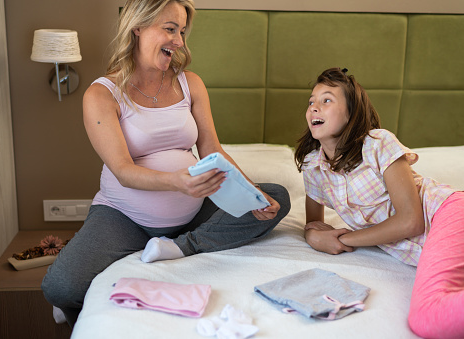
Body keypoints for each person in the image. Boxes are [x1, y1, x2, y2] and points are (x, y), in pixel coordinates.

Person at [41, 0, 290, 328]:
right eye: (170, 29)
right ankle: (160, 248)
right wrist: (177, 182)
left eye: (182, 32)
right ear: (138, 27)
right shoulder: (103, 94)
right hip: (124, 218)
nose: (180, 41)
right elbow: (122, 170)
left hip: (195, 210)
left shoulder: (191, 83)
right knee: (60, 286)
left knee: (277, 198)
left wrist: (251, 193)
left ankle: (182, 246)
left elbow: (212, 148)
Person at [294, 67, 463, 338]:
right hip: (436, 249)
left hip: (448, 214)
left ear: (352, 113)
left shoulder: (377, 143)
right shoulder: (314, 168)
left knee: (429, 317)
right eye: (311, 101)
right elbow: (315, 223)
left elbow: (411, 221)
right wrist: (313, 236)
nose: (314, 107)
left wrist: (346, 239)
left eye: (327, 100)